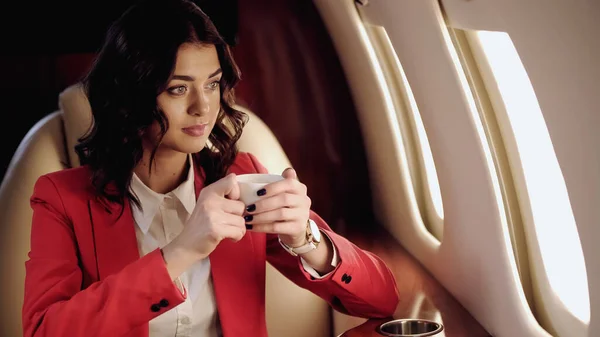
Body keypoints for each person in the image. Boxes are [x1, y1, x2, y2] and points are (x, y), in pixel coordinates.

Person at [22, 0, 399, 336]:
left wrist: (307, 239)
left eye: (213, 84)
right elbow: (44, 331)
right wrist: (182, 250)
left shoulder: (242, 181)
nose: (203, 107)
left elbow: (381, 301)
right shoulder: (61, 199)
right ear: (129, 96)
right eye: (178, 89)